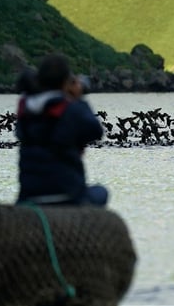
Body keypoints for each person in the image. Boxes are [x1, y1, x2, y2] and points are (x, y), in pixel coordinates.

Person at [16, 53, 108, 206]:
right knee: (101, 192)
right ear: (66, 82)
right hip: (68, 194)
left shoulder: (25, 109)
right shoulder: (72, 110)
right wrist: (78, 99)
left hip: (29, 195)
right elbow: (96, 132)